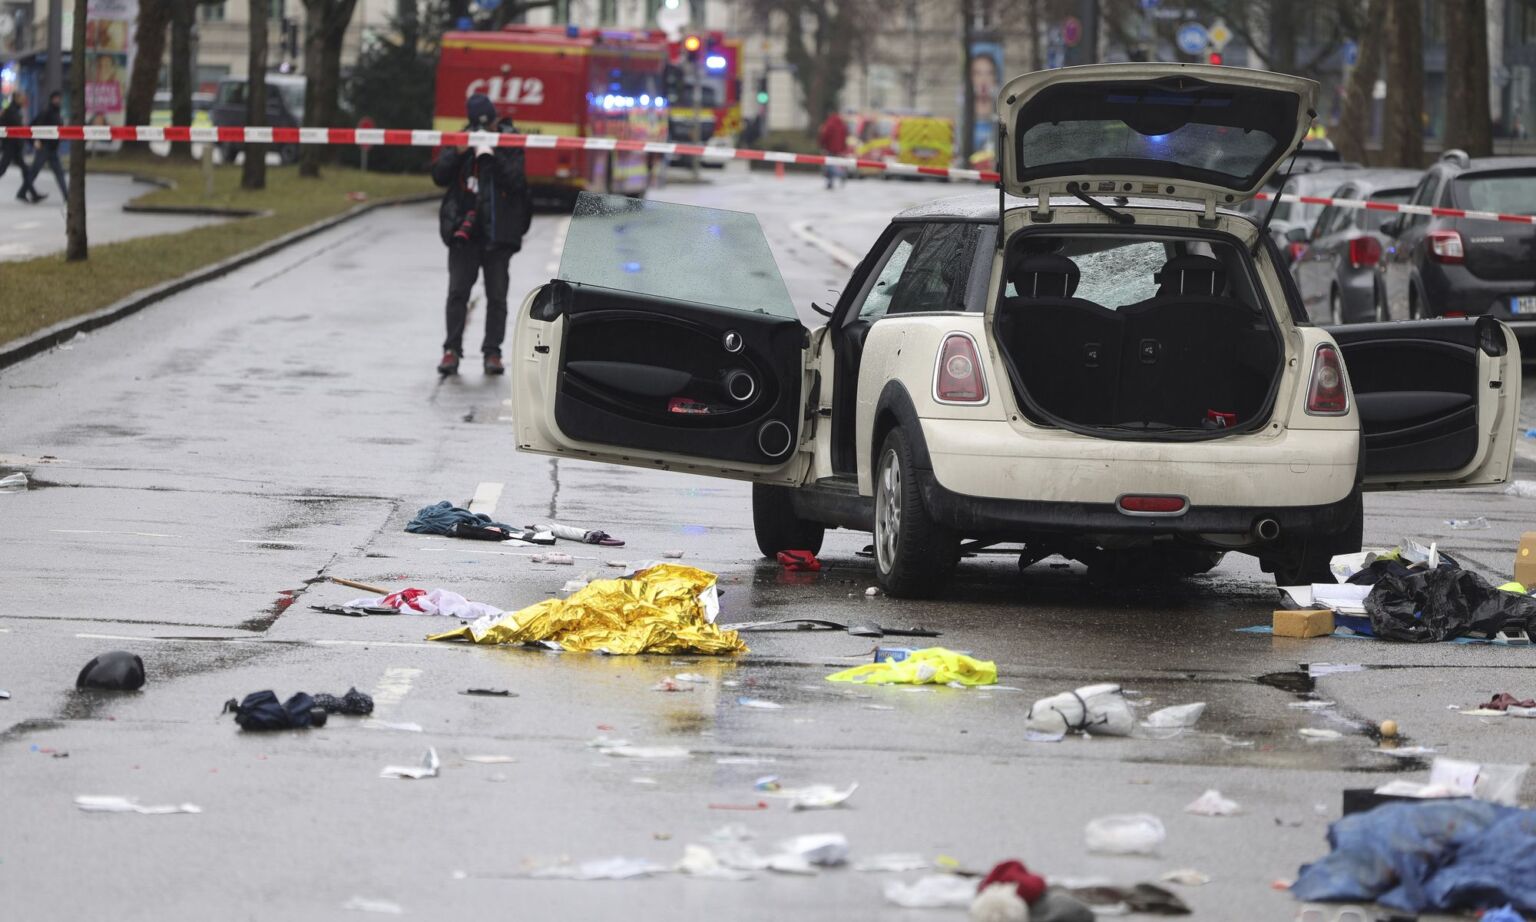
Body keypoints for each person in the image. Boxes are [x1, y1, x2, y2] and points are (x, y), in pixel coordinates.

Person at [431, 93, 532, 376]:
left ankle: (493, 352)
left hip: (498, 232)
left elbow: (517, 181)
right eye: (478, 126)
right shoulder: (462, 138)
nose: (483, 131)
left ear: (497, 120)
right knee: (458, 292)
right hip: (465, 231)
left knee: (497, 295)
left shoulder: (510, 141)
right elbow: (438, 175)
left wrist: (493, 154)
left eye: (488, 126)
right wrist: (459, 152)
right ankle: (451, 350)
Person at [24, 91, 67, 201]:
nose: (58, 100)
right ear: (52, 99)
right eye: (56, 98)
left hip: (52, 148)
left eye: (59, 98)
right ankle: (22, 192)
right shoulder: (46, 112)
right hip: (44, 147)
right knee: (34, 171)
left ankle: (67, 196)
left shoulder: (57, 113)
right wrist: (35, 141)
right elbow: (35, 126)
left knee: (59, 173)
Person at [2, 90, 44, 202]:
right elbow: (20, 130)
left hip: (14, 147)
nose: (24, 100)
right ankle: (29, 194)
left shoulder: (14, 110)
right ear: (16, 98)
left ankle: (30, 194)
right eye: (22, 98)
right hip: (10, 147)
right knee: (2, 169)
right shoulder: (11, 111)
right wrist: (33, 141)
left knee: (25, 170)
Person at [817, 111, 849, 190]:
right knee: (834, 165)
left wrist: (822, 146)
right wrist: (843, 149)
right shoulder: (842, 125)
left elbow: (824, 136)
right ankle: (831, 181)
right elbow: (845, 137)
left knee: (829, 166)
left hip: (829, 149)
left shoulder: (829, 125)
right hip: (839, 150)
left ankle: (838, 176)